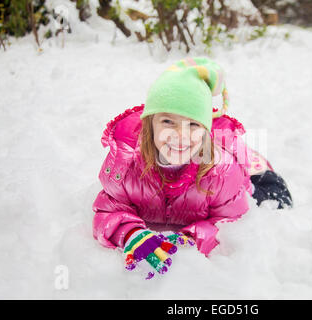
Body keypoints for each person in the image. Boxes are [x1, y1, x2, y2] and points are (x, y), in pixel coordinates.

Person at [92, 57, 292, 279]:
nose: (180, 135)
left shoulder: (223, 172)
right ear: (149, 124)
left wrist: (193, 239)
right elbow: (109, 209)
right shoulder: (125, 162)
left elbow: (231, 220)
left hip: (244, 177)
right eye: (168, 122)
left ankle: (250, 158)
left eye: (194, 124)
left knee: (275, 196)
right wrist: (130, 234)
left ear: (206, 129)